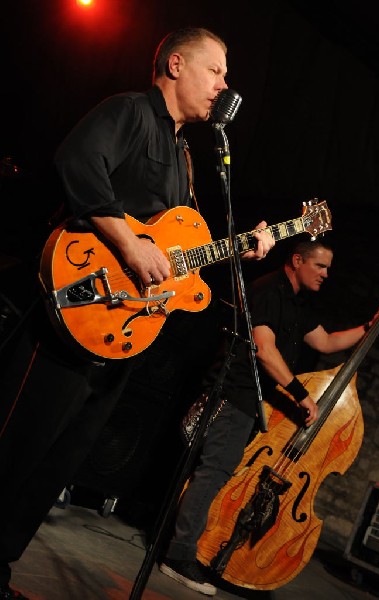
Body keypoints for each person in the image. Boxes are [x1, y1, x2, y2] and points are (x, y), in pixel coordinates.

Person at [0, 27, 276, 600]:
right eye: (216, 70)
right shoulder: (128, 111)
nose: (224, 84)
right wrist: (128, 243)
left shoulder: (185, 157)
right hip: (74, 311)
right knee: (15, 448)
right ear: (176, 65)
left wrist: (243, 243)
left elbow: (178, 251)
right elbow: (78, 161)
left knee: (57, 462)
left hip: (121, 336)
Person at [159, 237, 379, 596]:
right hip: (234, 396)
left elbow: (327, 342)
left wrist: (373, 324)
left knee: (221, 473)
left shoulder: (298, 303)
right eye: (320, 266)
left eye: (329, 268)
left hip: (255, 404)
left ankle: (196, 550)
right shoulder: (269, 290)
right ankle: (178, 556)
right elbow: (264, 350)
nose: (326, 274)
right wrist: (301, 396)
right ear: (297, 260)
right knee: (213, 473)